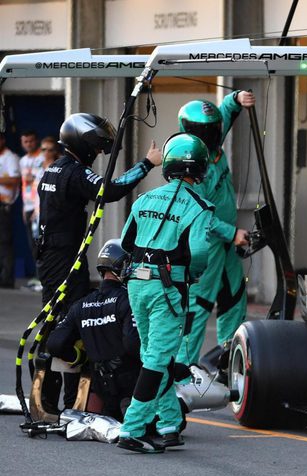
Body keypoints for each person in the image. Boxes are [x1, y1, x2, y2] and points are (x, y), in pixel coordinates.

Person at [118, 133, 248, 453]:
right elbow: (199, 253)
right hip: (168, 287)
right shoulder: (201, 205)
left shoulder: (143, 199)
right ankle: (133, 428)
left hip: (137, 283)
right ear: (201, 168)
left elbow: (125, 242)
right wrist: (192, 276)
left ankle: (169, 423)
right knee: (159, 358)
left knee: (154, 353)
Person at [33, 113, 160, 414]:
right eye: (99, 146)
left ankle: (50, 401)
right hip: (64, 260)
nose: (100, 152)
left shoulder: (53, 169)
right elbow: (109, 190)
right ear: (85, 143)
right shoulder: (74, 172)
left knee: (55, 324)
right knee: (68, 328)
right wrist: (147, 163)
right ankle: (68, 404)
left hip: (52, 257)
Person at [175, 90, 255, 373]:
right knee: (199, 306)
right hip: (204, 246)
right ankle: (183, 370)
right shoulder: (192, 162)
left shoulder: (212, 147)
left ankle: (228, 355)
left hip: (225, 241)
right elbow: (196, 214)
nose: (213, 133)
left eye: (215, 128)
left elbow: (225, 111)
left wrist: (237, 98)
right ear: (193, 132)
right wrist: (231, 233)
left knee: (234, 296)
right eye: (207, 130)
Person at [47, 239, 140, 421]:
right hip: (132, 388)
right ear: (125, 266)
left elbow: (54, 344)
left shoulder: (80, 305)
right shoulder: (129, 301)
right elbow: (132, 344)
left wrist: (80, 357)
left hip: (100, 389)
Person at [0, 133, 21, 288]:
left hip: (3, 203)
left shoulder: (10, 157)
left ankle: (7, 278)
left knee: (5, 242)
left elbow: (14, 180)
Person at [19, 131, 43, 263]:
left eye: (31, 141)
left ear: (36, 141)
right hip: (28, 206)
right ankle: (38, 277)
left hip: (39, 207)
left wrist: (37, 208)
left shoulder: (43, 157)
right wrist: (24, 207)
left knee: (40, 243)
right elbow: (24, 186)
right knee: (32, 245)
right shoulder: (23, 160)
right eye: (25, 141)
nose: (28, 144)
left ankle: (43, 278)